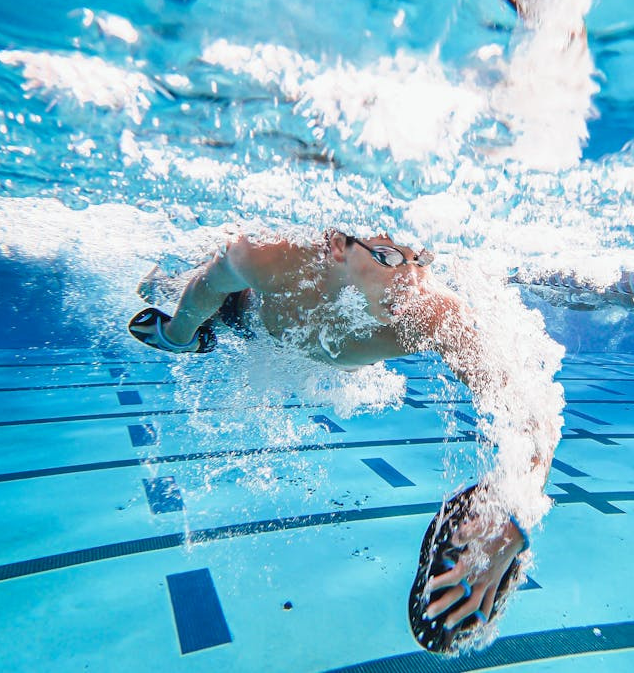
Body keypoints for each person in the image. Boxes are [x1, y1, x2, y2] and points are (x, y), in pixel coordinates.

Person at [129, 229, 560, 653]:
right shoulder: (272, 258)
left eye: (422, 259)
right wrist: (179, 335)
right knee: (167, 288)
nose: (410, 278)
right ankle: (157, 278)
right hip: (246, 318)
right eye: (389, 256)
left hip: (313, 343)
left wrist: (513, 522)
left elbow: (534, 414)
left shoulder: (433, 315)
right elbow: (211, 280)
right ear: (338, 246)